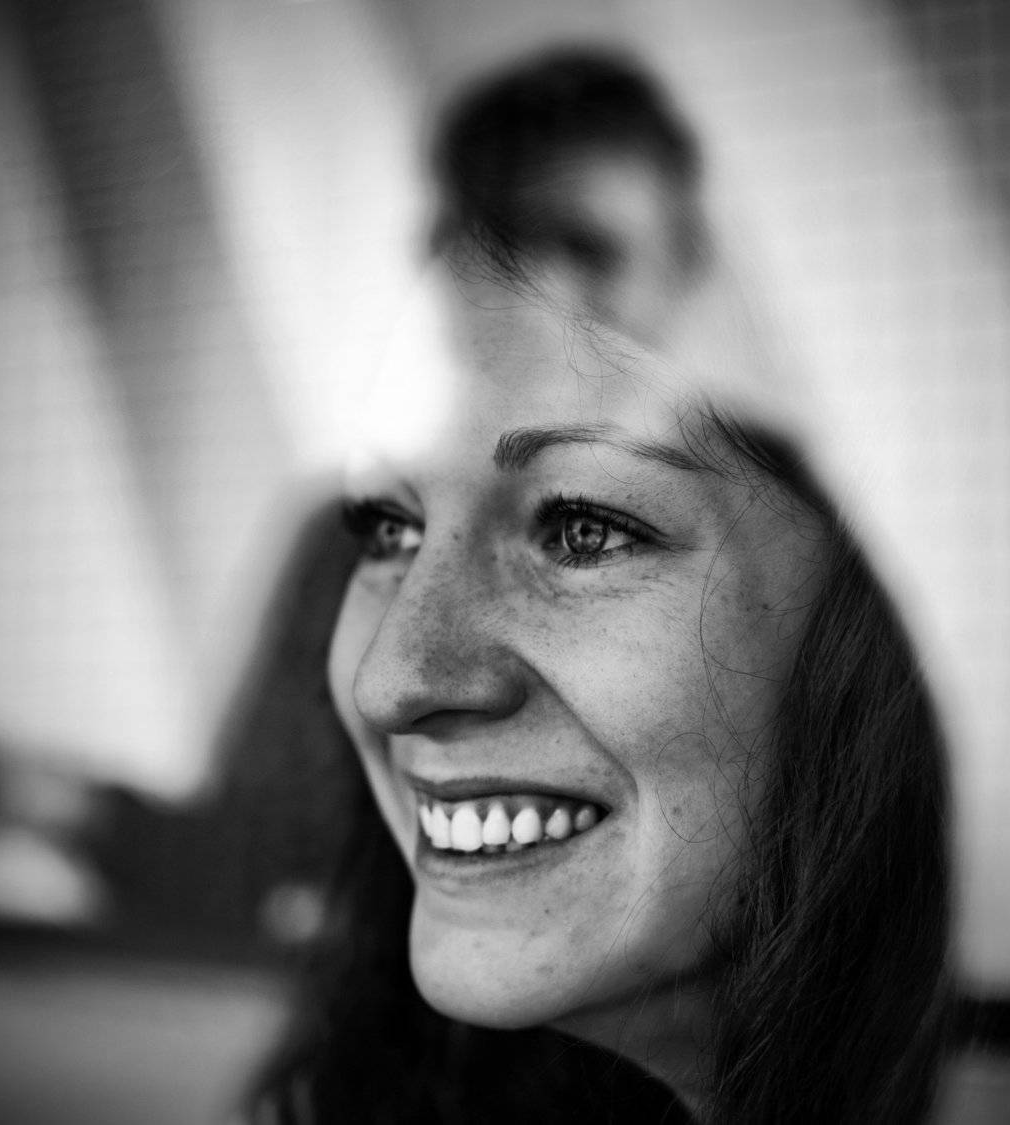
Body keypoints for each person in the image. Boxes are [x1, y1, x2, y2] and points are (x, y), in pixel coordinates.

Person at [251, 46, 951, 1124]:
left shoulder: (820, 512)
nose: (395, 679)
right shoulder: (333, 549)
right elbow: (267, 838)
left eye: (586, 531)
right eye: (389, 532)